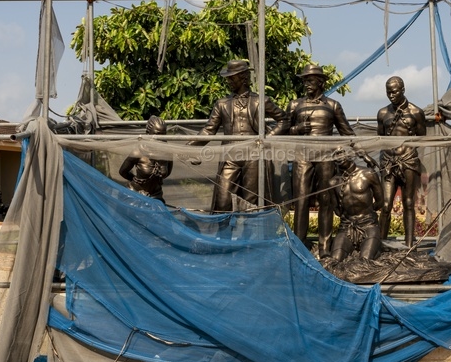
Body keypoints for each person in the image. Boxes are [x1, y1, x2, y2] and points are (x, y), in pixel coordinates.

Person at [189, 59, 288, 212]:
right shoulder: (221, 104)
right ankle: (222, 235)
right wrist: (189, 148)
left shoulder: (261, 101)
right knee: (223, 201)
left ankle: (249, 235)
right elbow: (209, 130)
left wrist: (267, 138)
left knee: (251, 204)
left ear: (243, 77)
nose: (228, 80)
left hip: (253, 156)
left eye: (231, 77)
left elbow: (284, 120)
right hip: (230, 156)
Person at [286, 63, 356, 258]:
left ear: (320, 82)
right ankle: (299, 244)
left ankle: (325, 246)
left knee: (326, 200)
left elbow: (347, 132)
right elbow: (282, 130)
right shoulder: (295, 105)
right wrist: (297, 130)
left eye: (310, 81)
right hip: (303, 157)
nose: (306, 84)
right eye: (305, 81)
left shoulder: (333, 106)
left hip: (326, 157)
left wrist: (361, 152)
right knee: (301, 201)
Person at [376, 76, 427, 248]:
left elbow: (421, 137)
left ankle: (409, 244)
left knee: (409, 203)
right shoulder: (382, 113)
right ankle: (381, 244)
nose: (391, 95)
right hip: (388, 162)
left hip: (408, 162)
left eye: (394, 91)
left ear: (403, 89)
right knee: (385, 204)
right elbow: (381, 137)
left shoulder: (416, 112)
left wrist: (406, 154)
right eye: (388, 92)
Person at [329, 148, 385, 261]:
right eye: (335, 154)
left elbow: (380, 201)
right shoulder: (333, 182)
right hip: (346, 227)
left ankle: (376, 248)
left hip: (368, 225)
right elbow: (337, 210)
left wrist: (367, 213)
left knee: (364, 261)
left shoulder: (368, 174)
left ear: (350, 154)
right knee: (334, 261)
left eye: (341, 152)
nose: (339, 156)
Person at [119, 116, 172, 204]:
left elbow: (167, 173)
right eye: (157, 134)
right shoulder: (138, 152)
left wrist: (162, 167)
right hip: (134, 194)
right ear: (148, 133)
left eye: (164, 134)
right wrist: (136, 181)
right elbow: (122, 172)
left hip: (156, 194)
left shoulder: (168, 152)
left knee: (158, 215)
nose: (161, 138)